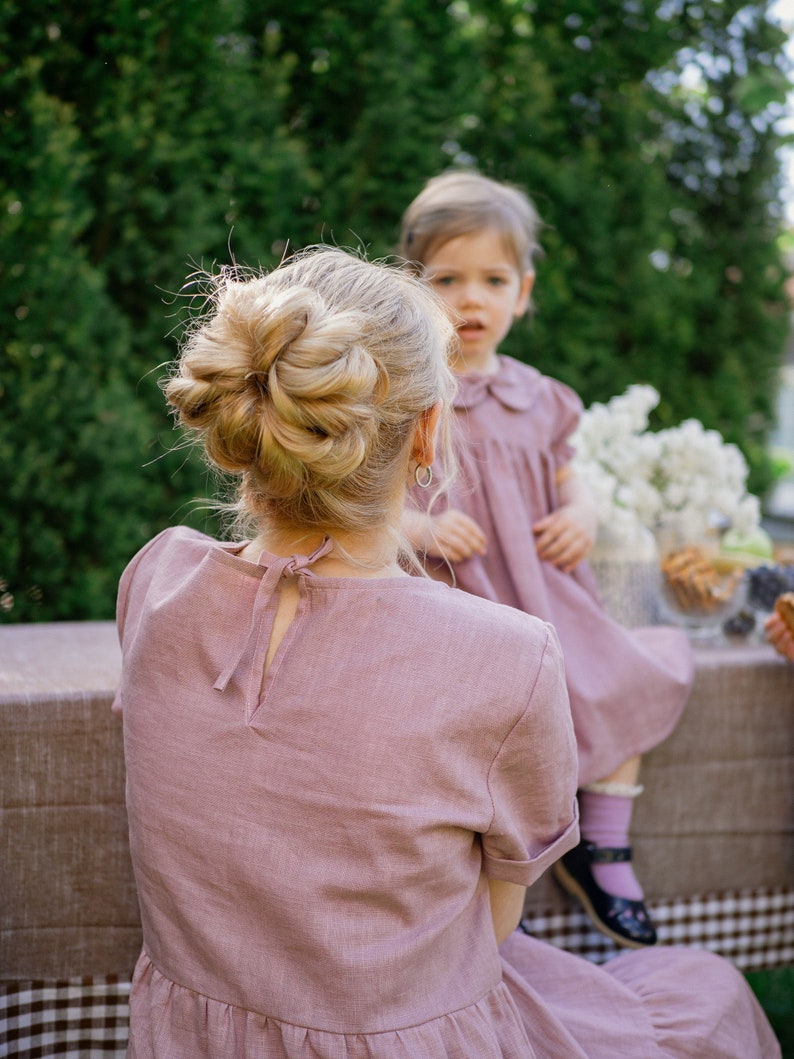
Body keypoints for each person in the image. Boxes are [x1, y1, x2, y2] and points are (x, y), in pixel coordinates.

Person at [112, 246, 779, 1058]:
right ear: (428, 432)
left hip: (192, 1039)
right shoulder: (506, 654)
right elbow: (497, 922)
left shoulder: (157, 580)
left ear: (241, 424)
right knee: (705, 997)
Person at [399, 170, 695, 949]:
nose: (472, 300)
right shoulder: (400, 395)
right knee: (484, 730)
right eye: (447, 279)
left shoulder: (545, 397)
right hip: (456, 602)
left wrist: (581, 515)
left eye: (493, 280)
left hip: (544, 594)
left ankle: (603, 836)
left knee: (626, 672)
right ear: (410, 288)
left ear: (522, 292)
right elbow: (362, 501)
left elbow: (574, 479)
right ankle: (489, 881)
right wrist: (417, 529)